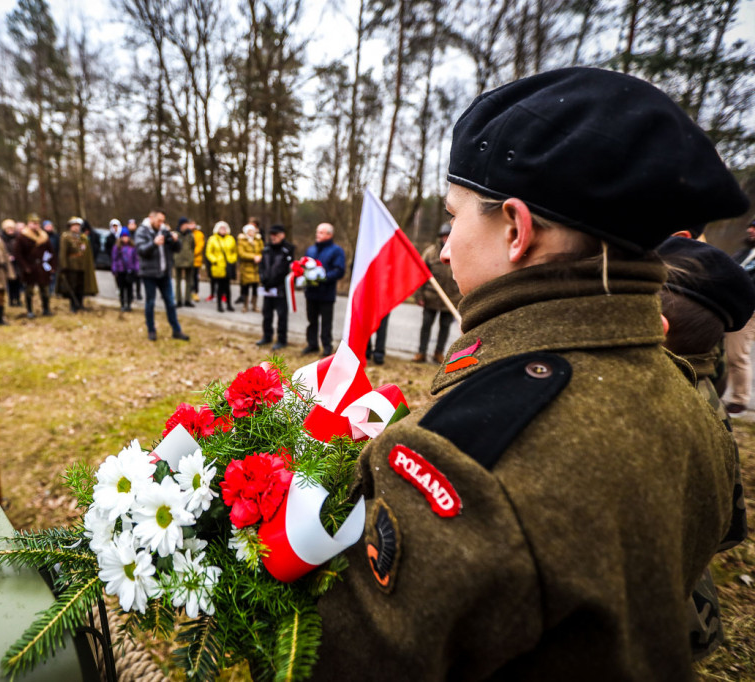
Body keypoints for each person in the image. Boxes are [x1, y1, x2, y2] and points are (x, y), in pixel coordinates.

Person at [314, 67, 749, 681]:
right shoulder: (681, 390)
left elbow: (342, 659)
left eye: (453, 218)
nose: (442, 249)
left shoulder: (471, 459)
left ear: (516, 230)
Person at [655, 236, 754, 660]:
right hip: (694, 619)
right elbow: (729, 526)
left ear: (654, 324)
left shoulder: (650, 407)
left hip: (651, 627)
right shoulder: (707, 400)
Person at [135, 209, 189, 341]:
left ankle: (176, 330)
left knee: (170, 302)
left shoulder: (164, 230)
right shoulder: (142, 231)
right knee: (150, 303)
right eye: (159, 220)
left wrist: (176, 240)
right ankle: (151, 330)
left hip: (164, 273)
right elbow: (141, 251)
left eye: (163, 221)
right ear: (151, 218)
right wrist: (154, 243)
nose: (161, 223)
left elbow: (177, 249)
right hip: (149, 273)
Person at [413, 224, 462, 363]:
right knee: (426, 325)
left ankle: (438, 353)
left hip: (451, 299)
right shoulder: (430, 253)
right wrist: (419, 296)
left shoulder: (460, 252)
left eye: (449, 236)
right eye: (444, 236)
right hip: (431, 297)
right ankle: (421, 352)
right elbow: (420, 275)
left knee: (445, 328)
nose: (446, 239)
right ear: (440, 237)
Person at [725, 216, 755, 414]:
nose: (750, 230)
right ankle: (724, 393)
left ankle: (740, 399)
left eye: (754, 228)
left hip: (749, 310)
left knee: (737, 355)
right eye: (750, 227)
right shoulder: (744, 252)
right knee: (726, 354)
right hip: (731, 306)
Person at [302, 222, 346, 357]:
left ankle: (327, 346)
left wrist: (323, 277)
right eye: (317, 232)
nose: (317, 234)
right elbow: (304, 266)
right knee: (311, 320)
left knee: (326, 323)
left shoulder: (336, 251)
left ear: (329, 234)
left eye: (321, 232)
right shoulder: (311, 250)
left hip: (326, 293)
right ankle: (312, 344)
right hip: (311, 292)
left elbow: (339, 270)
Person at [255, 224, 294, 350]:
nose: (273, 237)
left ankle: (282, 339)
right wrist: (263, 279)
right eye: (271, 235)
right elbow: (262, 266)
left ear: (282, 235)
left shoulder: (288, 249)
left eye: (276, 235)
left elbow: (285, 269)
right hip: (267, 288)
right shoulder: (266, 249)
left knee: (282, 315)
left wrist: (276, 282)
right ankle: (267, 336)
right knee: (267, 314)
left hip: (281, 289)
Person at [14, 213, 53, 318]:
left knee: (45, 289)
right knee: (29, 291)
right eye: (33, 223)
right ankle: (30, 310)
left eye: (37, 223)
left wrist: (51, 266)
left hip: (42, 267)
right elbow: (18, 254)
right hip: (30, 267)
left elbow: (50, 252)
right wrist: (25, 267)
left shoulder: (44, 236)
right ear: (28, 224)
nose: (35, 225)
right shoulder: (22, 236)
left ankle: (46, 309)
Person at [58, 216, 99, 312]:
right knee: (73, 286)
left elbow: (86, 251)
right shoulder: (66, 237)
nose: (76, 228)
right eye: (74, 226)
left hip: (82, 265)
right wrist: (64, 266)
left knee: (81, 286)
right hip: (72, 266)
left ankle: (80, 304)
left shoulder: (82, 237)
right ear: (70, 226)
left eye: (78, 226)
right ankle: (73, 305)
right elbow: (63, 252)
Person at [205, 221, 238, 312]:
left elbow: (235, 251)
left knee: (228, 287)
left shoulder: (231, 239)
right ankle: (219, 305)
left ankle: (229, 304)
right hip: (218, 266)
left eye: (224, 228)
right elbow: (208, 252)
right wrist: (214, 260)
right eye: (221, 228)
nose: (223, 230)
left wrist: (232, 259)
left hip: (228, 265)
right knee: (219, 286)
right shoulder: (212, 239)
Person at [111, 227, 140, 312]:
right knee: (122, 289)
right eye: (123, 237)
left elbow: (136, 259)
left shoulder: (132, 247)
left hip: (130, 271)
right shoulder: (117, 247)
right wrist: (114, 269)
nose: (125, 238)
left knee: (129, 288)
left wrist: (136, 269)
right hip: (120, 271)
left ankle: (129, 304)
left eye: (126, 236)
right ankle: (123, 304)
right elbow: (114, 259)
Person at [237, 223, 264, 312]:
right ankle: (245, 305)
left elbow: (262, 250)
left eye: (253, 231)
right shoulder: (242, 240)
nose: (252, 233)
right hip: (246, 267)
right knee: (246, 287)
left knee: (255, 287)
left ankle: (254, 305)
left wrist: (259, 257)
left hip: (256, 268)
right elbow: (241, 253)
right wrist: (253, 257)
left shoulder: (258, 240)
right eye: (250, 231)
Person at [173, 217, 197, 308]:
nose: (186, 226)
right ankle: (178, 300)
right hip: (178, 260)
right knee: (178, 281)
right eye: (185, 224)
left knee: (189, 281)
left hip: (188, 260)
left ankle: (188, 300)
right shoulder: (176, 235)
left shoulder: (190, 235)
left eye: (187, 224)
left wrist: (191, 256)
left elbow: (193, 247)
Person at [0, 219, 22, 307]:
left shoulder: (18, 237)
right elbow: (0, 250)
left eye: (12, 229)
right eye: (8, 229)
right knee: (10, 282)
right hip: (7, 263)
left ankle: (18, 299)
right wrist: (7, 256)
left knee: (18, 282)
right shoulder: (1, 238)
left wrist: (17, 255)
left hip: (17, 263)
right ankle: (11, 300)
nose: (10, 231)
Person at [127, 218, 142, 301]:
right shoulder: (127, 235)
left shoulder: (138, 234)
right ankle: (131, 294)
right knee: (130, 277)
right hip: (129, 259)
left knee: (138, 277)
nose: (132, 226)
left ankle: (138, 293)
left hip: (137, 258)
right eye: (130, 224)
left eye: (133, 224)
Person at [192, 221, 205, 303]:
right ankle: (189, 292)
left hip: (196, 260)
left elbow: (200, 246)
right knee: (189, 277)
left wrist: (191, 253)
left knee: (195, 277)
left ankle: (195, 292)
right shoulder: (186, 233)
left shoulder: (199, 234)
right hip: (187, 260)